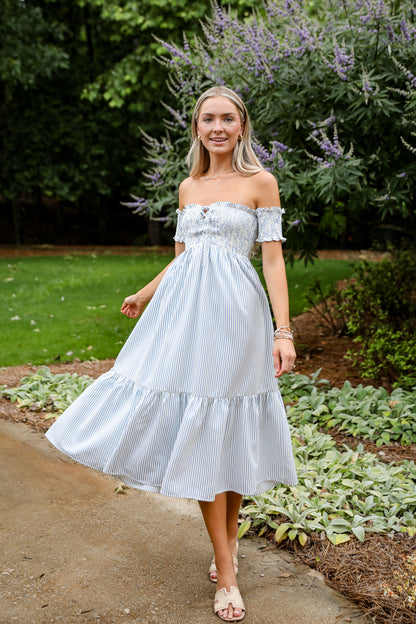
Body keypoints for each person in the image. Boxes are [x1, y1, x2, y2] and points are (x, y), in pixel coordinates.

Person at [45, 85, 297, 622]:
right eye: (208, 119)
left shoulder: (261, 182)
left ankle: (228, 542)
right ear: (197, 128)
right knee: (206, 431)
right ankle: (227, 572)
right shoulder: (188, 186)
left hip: (239, 318)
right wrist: (143, 293)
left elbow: (273, 260)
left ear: (242, 125)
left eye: (227, 118)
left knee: (230, 424)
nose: (218, 128)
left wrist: (284, 331)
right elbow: (184, 259)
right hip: (186, 321)